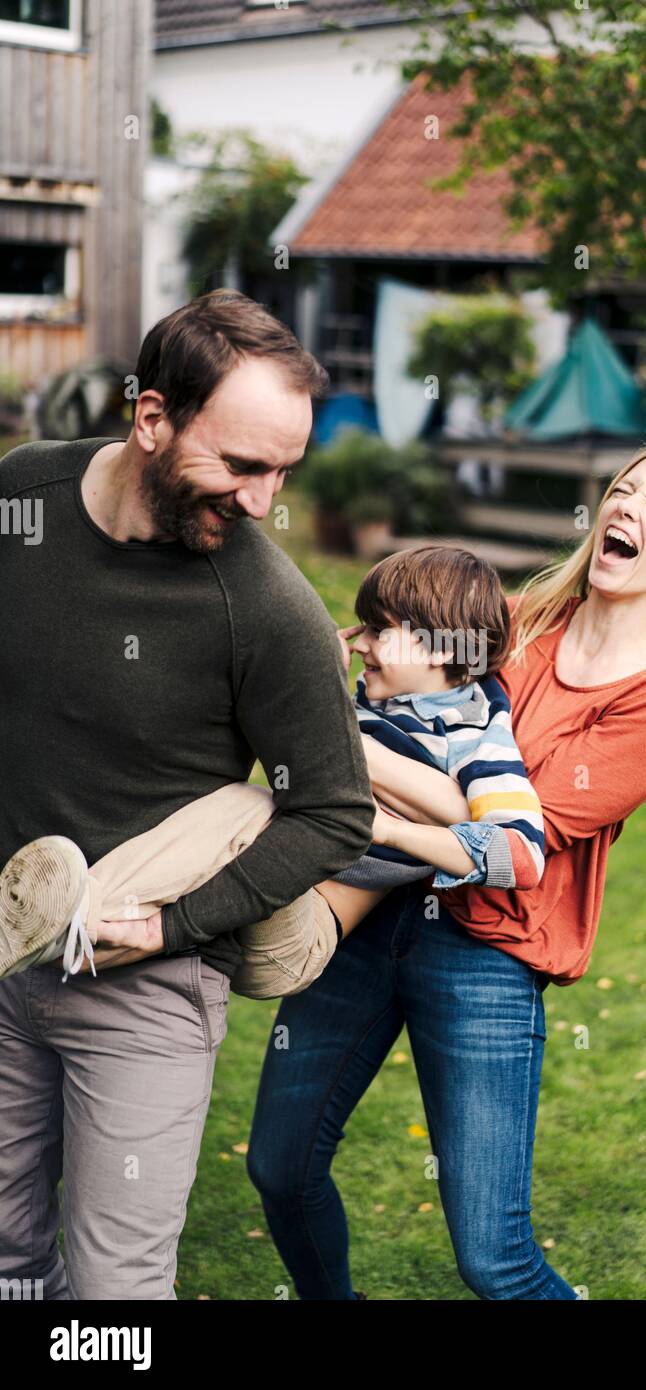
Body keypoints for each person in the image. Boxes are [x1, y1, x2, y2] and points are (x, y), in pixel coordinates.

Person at [245, 441, 646, 1300]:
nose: (627, 508)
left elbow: (518, 836)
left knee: (493, 1260)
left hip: (486, 954)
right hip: (373, 911)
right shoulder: (512, 625)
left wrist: (347, 751)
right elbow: (387, 679)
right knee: (279, 1172)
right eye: (623, 491)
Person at [0, 290, 376, 1300]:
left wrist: (172, 925)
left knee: (116, 1290)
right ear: (153, 417)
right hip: (5, 955)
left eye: (283, 472)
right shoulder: (23, 493)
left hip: (144, 993)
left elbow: (336, 812)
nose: (263, 500)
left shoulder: (265, 605)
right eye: (243, 465)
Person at [0, 545, 545, 992]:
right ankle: (62, 932)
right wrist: (310, 668)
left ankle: (63, 909)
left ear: (436, 646)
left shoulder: (475, 733)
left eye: (380, 630)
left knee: (256, 807)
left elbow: (521, 856)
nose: (364, 644)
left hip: (301, 937)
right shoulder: (373, 703)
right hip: (253, 893)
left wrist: (388, 830)